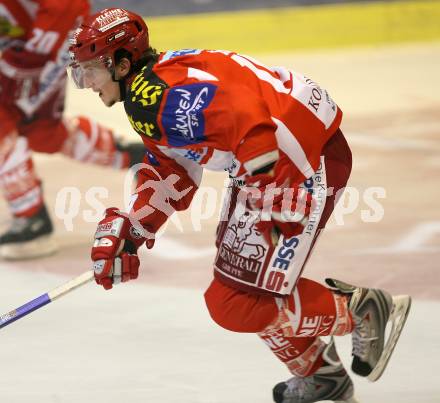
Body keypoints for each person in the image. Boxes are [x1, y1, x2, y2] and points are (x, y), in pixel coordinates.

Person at [69, 8, 411, 403]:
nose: (85, 83)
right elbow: (173, 169)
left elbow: (245, 116)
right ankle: (320, 373)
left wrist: (273, 194)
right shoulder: (151, 88)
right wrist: (134, 227)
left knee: (235, 303)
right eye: (78, 72)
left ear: (122, 63)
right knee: (242, 284)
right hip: (275, 161)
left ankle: (360, 311)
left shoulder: (155, 97)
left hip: (296, 163)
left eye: (89, 70)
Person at [0, 0, 145, 260]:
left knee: (18, 125)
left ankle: (31, 219)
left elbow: (64, 5)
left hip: (49, 35)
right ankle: (130, 155)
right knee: (42, 131)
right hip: (29, 40)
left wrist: (36, 53)